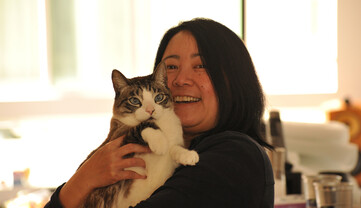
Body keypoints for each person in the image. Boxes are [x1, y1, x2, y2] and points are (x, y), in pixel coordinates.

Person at [45, 18, 274, 208]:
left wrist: (81, 185)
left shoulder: (234, 156)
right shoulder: (164, 148)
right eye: (171, 67)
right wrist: (83, 180)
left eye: (201, 66)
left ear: (233, 80)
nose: (181, 80)